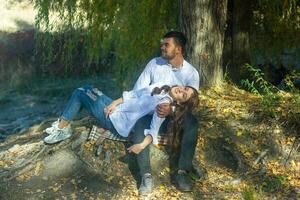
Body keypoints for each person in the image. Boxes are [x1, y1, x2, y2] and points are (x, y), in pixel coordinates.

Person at [130, 31, 200, 195]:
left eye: (166, 44)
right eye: (162, 44)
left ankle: (182, 172)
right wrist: (153, 103)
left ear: (178, 49)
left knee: (192, 122)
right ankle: (145, 176)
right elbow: (138, 91)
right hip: (151, 113)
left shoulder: (191, 73)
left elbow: (190, 104)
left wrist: (171, 109)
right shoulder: (154, 64)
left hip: (174, 118)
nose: (162, 47)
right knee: (140, 126)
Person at [43, 84, 198, 157]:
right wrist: (114, 103)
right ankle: (62, 124)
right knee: (87, 88)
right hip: (116, 108)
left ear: (179, 103)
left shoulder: (163, 106)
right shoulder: (161, 87)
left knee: (79, 93)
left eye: (184, 95)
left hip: (117, 122)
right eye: (185, 88)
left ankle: (62, 129)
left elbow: (153, 129)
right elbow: (133, 94)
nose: (181, 90)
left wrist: (141, 145)